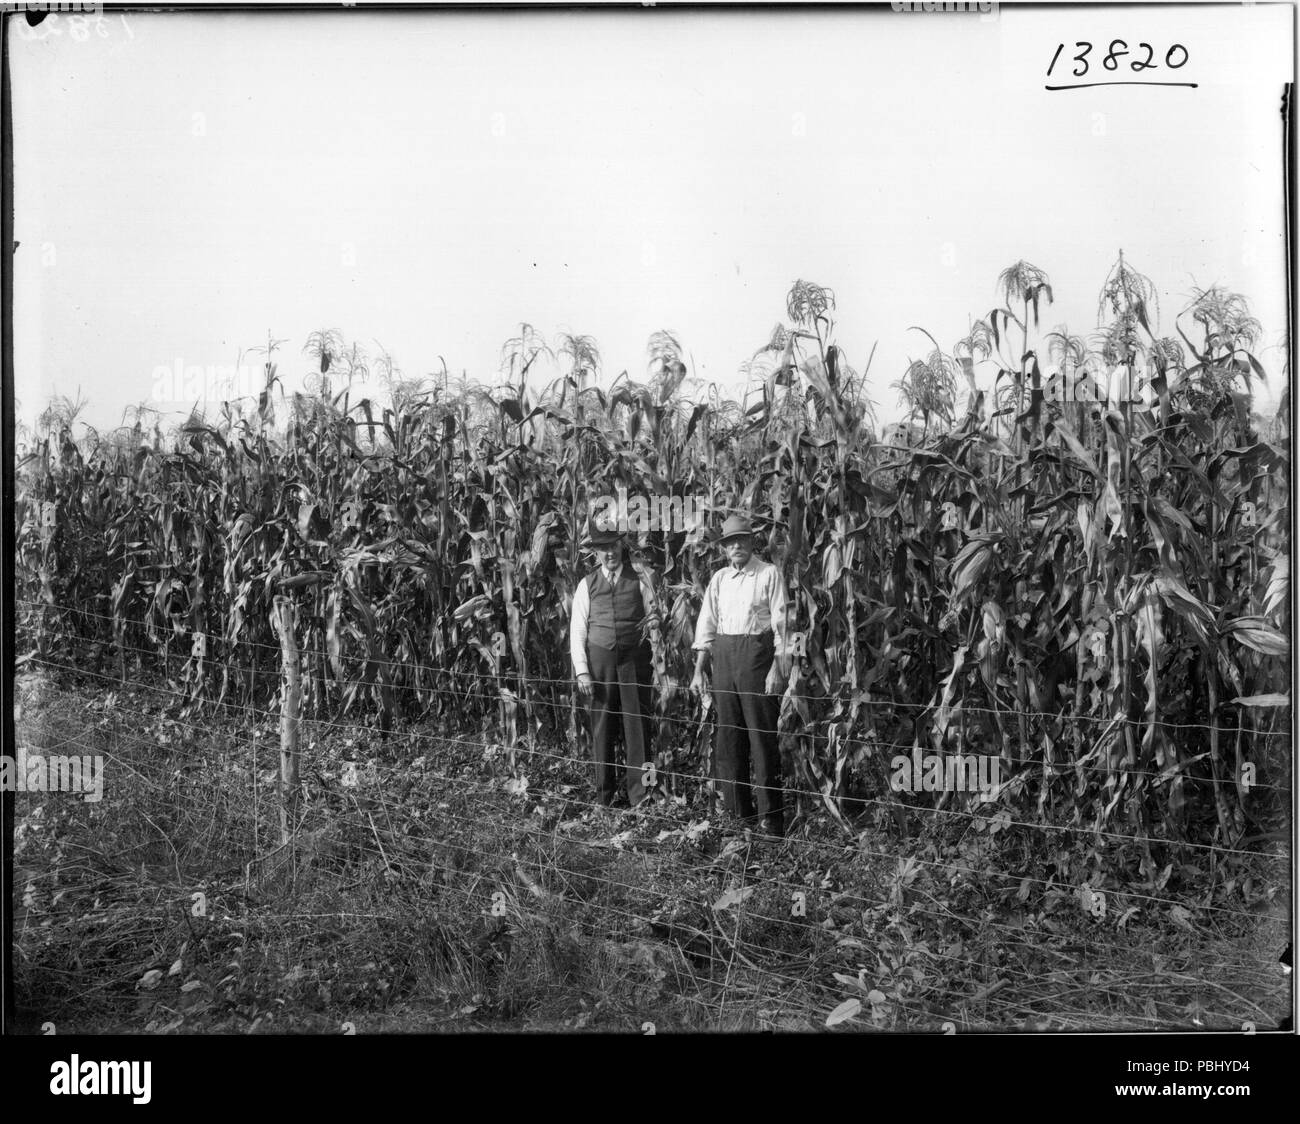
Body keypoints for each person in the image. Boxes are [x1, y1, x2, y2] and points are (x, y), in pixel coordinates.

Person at [690, 514, 791, 837]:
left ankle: (770, 821)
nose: (736, 546)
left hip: (756, 662)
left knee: (762, 740)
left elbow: (783, 626)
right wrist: (698, 670)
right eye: (730, 542)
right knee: (729, 740)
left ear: (751, 542)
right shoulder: (720, 579)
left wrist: (779, 667)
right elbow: (706, 626)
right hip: (723, 660)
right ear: (724, 548)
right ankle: (738, 816)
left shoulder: (768, 574)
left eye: (741, 540)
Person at [570, 519, 660, 809]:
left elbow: (654, 618)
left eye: (613, 545)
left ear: (622, 545)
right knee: (602, 728)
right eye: (603, 548)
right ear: (595, 552)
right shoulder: (587, 585)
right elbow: (577, 632)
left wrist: (659, 661)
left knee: (639, 729)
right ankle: (603, 797)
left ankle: (642, 796)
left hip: (635, 660)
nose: (609, 553)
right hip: (600, 663)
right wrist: (582, 671)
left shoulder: (641, 578)